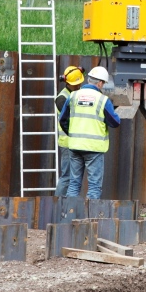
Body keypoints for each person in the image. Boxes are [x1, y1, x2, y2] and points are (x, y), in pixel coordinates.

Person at [59, 66, 120, 199]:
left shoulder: (73, 96)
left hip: (75, 146)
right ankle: (88, 218)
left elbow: (62, 119)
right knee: (94, 186)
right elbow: (115, 122)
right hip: (94, 149)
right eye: (103, 83)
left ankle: (70, 215)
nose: (102, 86)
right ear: (99, 83)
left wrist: (73, 134)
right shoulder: (102, 100)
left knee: (74, 184)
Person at [54, 65, 84, 196]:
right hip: (67, 143)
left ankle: (68, 206)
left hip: (77, 142)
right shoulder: (61, 99)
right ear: (67, 82)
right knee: (66, 177)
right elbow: (73, 117)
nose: (78, 86)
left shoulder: (78, 93)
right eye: (75, 84)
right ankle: (57, 205)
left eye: (79, 83)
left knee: (75, 178)